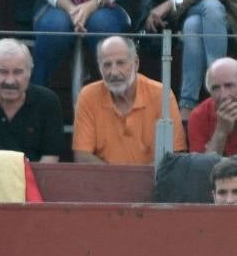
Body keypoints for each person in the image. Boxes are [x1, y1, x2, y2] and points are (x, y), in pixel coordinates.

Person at [146, 0, 236, 120]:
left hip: (227, 12)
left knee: (195, 22)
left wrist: (171, 4)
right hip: (199, 9)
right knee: (199, 17)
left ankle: (190, 103)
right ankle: (214, 95)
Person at [73, 35, 186, 164]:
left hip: (153, 181)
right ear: (99, 67)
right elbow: (82, 156)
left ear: (136, 63)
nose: (114, 72)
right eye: (107, 65)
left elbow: (175, 154)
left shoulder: (161, 94)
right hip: (103, 182)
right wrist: (119, 181)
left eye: (120, 63)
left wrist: (135, 181)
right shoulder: (88, 96)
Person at [31, 0, 131, 87]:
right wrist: (73, 10)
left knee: (102, 23)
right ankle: (37, 95)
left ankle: (117, 97)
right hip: (58, 3)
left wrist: (90, 6)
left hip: (106, 2)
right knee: (55, 26)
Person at [188, 57, 237, 155]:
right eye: (215, 88)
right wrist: (221, 132)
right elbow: (202, 168)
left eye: (229, 85)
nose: (223, 95)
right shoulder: (199, 115)